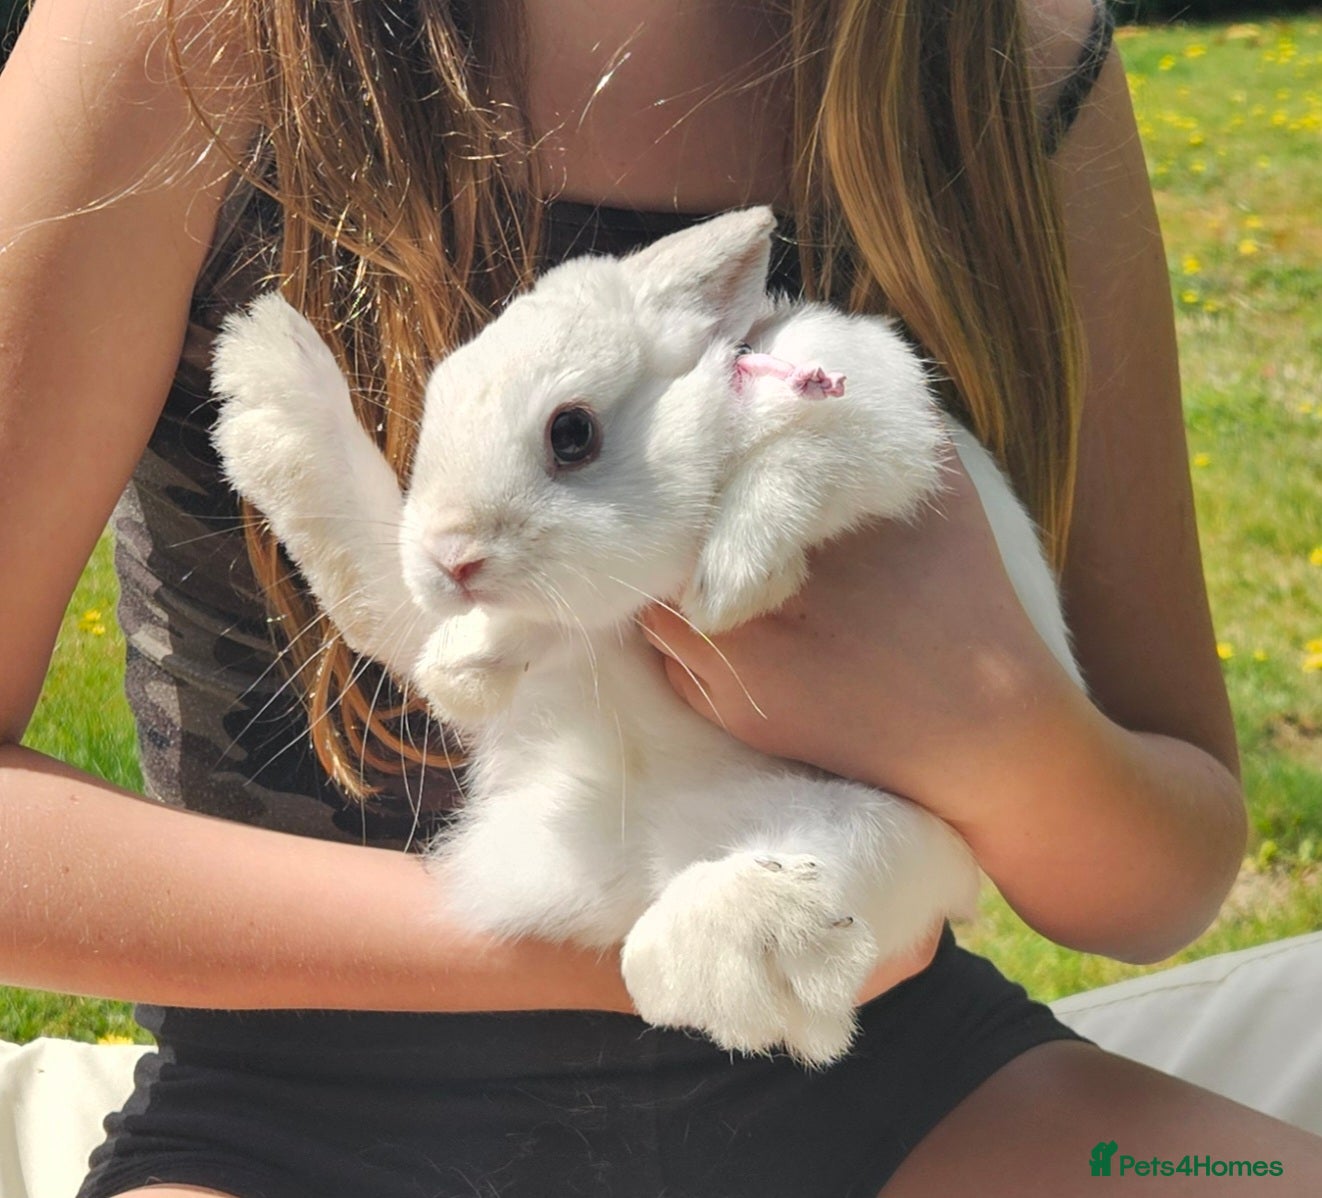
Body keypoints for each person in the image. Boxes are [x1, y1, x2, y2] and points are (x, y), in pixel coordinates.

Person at [1, 0, 1320, 1194]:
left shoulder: (1009, 58)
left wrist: (988, 722)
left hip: (879, 1076)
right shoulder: (177, 38)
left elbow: (1166, 861)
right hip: (298, 1116)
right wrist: (619, 933)